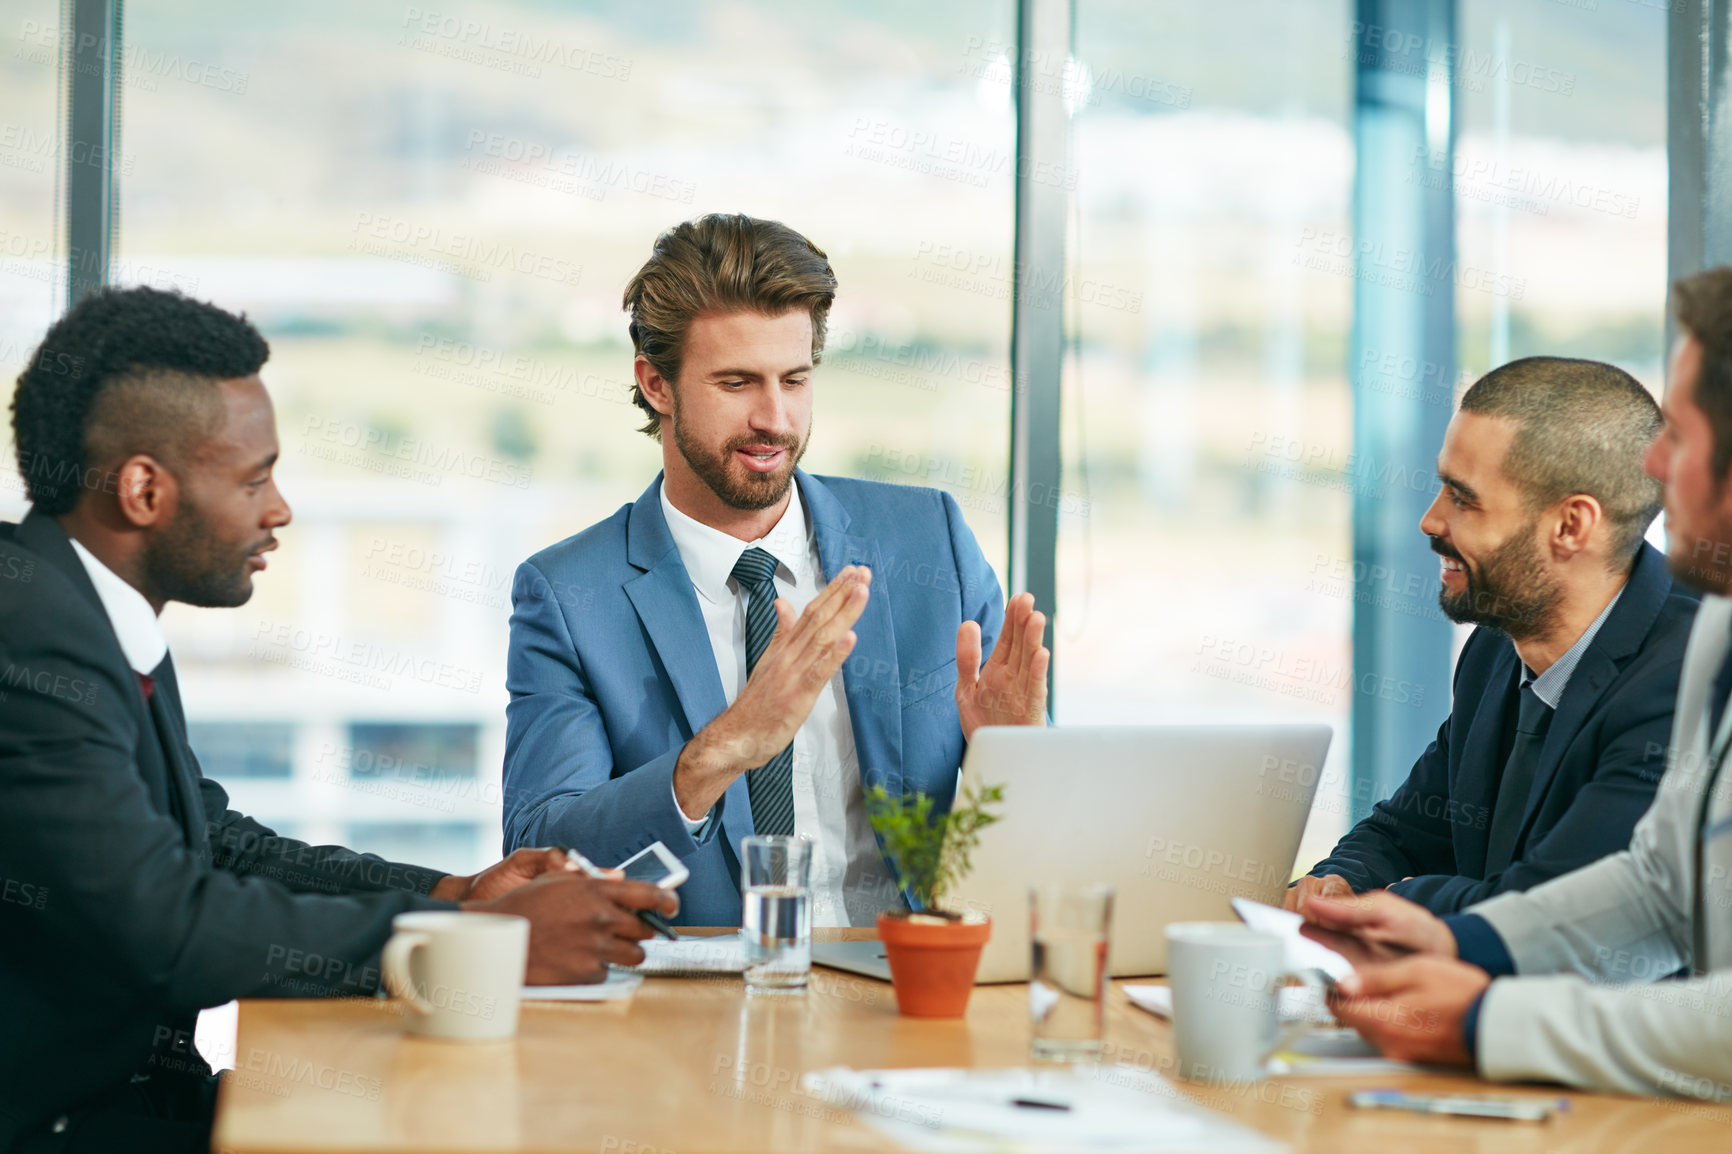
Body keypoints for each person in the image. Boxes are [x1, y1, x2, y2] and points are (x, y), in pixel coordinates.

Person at [0, 287, 677, 1154]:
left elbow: (217, 844)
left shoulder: (91, 615)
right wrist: (474, 941)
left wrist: (451, 894)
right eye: (253, 479)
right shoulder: (33, 644)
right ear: (141, 489)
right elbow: (169, 925)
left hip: (133, 1103)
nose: (278, 508)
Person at [501, 213, 1049, 927]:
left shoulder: (928, 541)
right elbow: (538, 860)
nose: (776, 418)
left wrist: (1012, 758)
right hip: (703, 1012)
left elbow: (1026, 852)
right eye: (736, 383)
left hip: (914, 989)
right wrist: (727, 746)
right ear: (656, 385)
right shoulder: (570, 597)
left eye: (795, 379)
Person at [1303, 266, 1732, 1100]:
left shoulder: (1679, 643)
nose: (1648, 463)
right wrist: (1468, 947)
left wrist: (1479, 1019)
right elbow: (1658, 886)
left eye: (1679, 435)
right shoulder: (1721, 623)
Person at [1286, 357, 1695, 916]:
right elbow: (1407, 829)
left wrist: (1391, 901)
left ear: (1571, 526)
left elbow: (1552, 911)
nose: (1431, 520)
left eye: (1463, 497)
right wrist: (1341, 881)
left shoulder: (1689, 678)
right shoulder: (1500, 643)